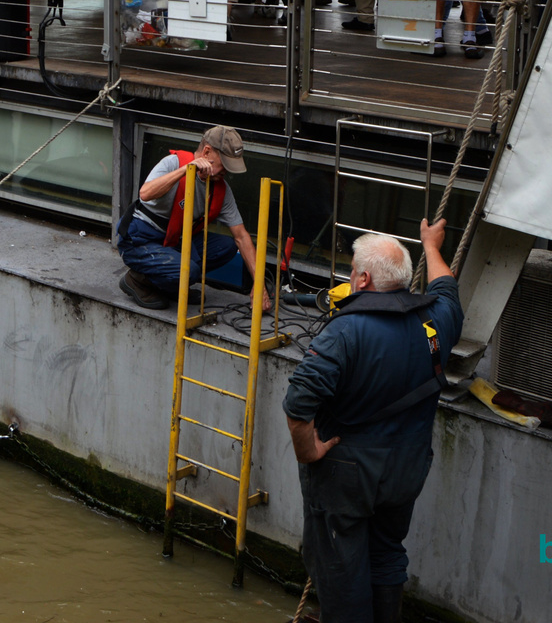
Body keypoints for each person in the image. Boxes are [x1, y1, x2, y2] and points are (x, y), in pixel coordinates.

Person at [284, 220, 463, 623]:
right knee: (386, 553)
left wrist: (307, 450)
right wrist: (431, 246)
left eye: (351, 271)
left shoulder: (345, 331)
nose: (350, 277)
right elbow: (446, 287)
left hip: (347, 473)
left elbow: (299, 403)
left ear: (363, 279)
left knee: (339, 566)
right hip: (406, 468)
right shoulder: (438, 321)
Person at [116, 126, 263, 310]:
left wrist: (259, 286)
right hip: (140, 237)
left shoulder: (221, 189)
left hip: (176, 239)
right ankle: (137, 280)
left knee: (226, 247)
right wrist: (186, 170)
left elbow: (241, 236)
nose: (227, 171)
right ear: (207, 152)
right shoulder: (173, 163)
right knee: (188, 271)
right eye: (224, 163)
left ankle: (170, 284)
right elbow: (145, 193)